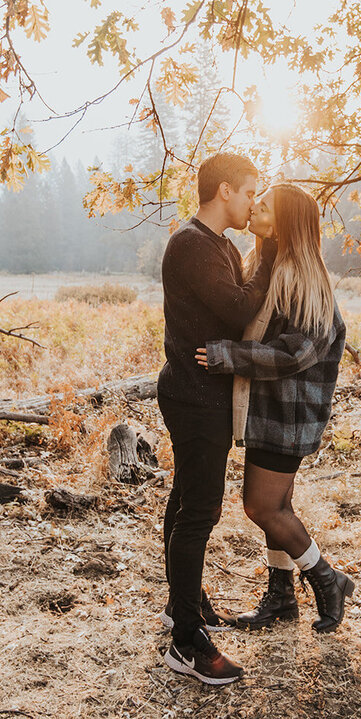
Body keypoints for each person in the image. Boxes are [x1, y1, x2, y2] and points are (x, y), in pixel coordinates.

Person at [196, 184, 354, 634]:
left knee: (262, 507)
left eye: (264, 205)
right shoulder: (269, 262)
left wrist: (230, 356)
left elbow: (295, 353)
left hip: (289, 416)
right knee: (278, 504)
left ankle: (327, 578)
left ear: (284, 221)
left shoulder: (303, 278)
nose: (255, 207)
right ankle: (282, 597)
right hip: (269, 412)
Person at [158, 152, 277, 686]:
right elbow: (238, 310)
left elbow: (237, 305)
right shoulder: (191, 244)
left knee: (186, 500)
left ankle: (181, 607)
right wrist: (272, 251)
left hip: (202, 395)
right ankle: (185, 643)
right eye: (251, 192)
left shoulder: (221, 246)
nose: (254, 202)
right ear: (225, 190)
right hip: (193, 397)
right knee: (198, 513)